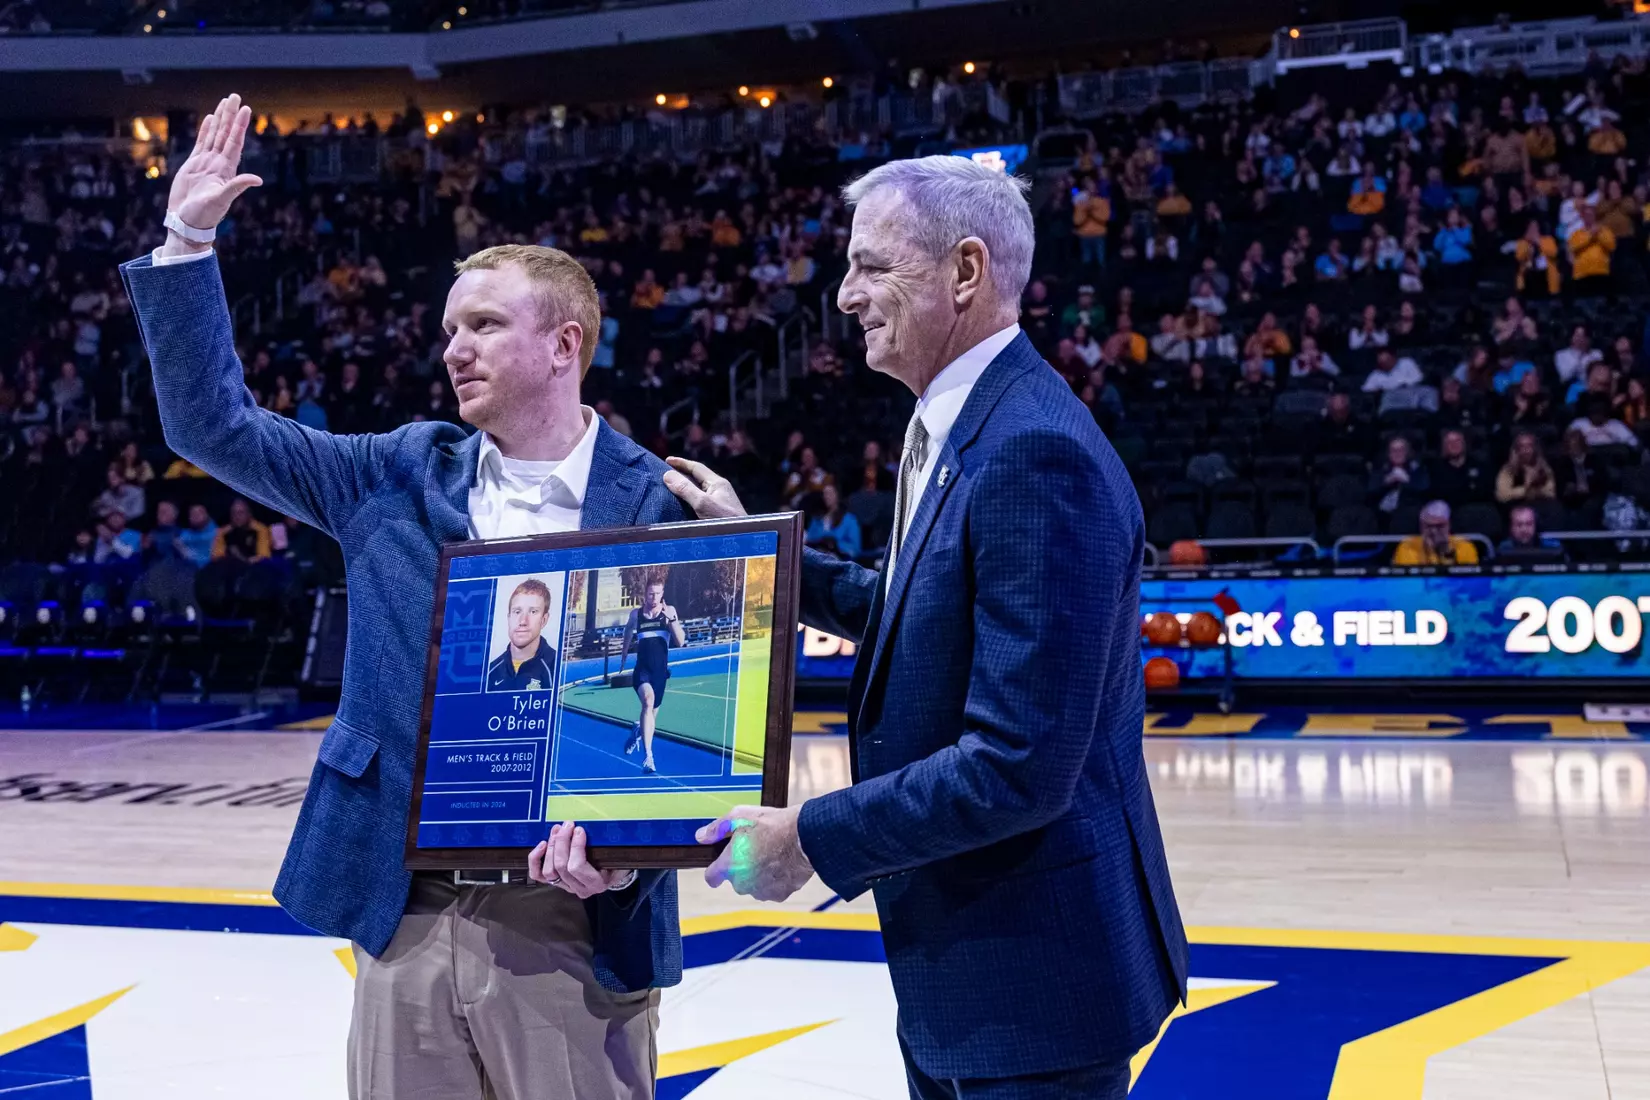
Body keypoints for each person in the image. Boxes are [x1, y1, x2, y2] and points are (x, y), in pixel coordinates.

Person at [120, 95, 685, 1100]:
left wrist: (631, 860)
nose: (452, 347)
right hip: (405, 911)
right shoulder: (394, 472)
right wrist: (187, 237)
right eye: (448, 329)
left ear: (564, 345)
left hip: (571, 924)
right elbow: (212, 423)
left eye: (483, 324)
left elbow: (685, 723)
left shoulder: (661, 504)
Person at [663, 155, 1187, 1099]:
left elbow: (1017, 765)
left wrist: (809, 838)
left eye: (872, 265)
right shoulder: (963, 424)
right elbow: (914, 615)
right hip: (975, 964)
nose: (845, 292)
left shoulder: (1032, 452)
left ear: (965, 271)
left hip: (1034, 983)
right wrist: (759, 551)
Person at [618, 579, 684, 775]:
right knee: (648, 701)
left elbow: (680, 642)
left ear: (662, 594)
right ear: (644, 595)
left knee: (650, 717)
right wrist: (623, 656)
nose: (653, 598)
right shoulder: (636, 615)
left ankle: (638, 731)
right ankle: (648, 757)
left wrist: (671, 620)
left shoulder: (669, 611)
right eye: (650, 594)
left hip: (660, 674)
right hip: (642, 671)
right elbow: (628, 631)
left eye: (657, 594)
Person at [486, 578, 559, 692]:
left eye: (533, 611)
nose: (523, 621)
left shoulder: (558, 668)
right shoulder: (489, 672)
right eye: (517, 612)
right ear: (509, 617)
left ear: (544, 620)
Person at [1393, 500, 1481, 565]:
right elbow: (1411, 581)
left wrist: (1445, 551)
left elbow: (1467, 581)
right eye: (1429, 526)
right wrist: (1428, 551)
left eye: (1439, 526)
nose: (1433, 531)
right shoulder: (1407, 546)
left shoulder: (1464, 546)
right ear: (1421, 526)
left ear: (1448, 525)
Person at [806, 482, 863, 560]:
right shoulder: (817, 519)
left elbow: (855, 550)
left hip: (839, 561)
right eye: (825, 494)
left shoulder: (849, 520)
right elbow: (809, 539)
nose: (827, 497)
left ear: (837, 495)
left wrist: (836, 544)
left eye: (830, 493)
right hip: (817, 559)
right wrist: (822, 539)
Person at [1499, 504, 1567, 559]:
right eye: (1519, 525)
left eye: (1529, 524)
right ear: (1511, 528)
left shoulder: (1553, 547)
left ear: (1536, 525)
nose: (1524, 529)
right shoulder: (1503, 549)